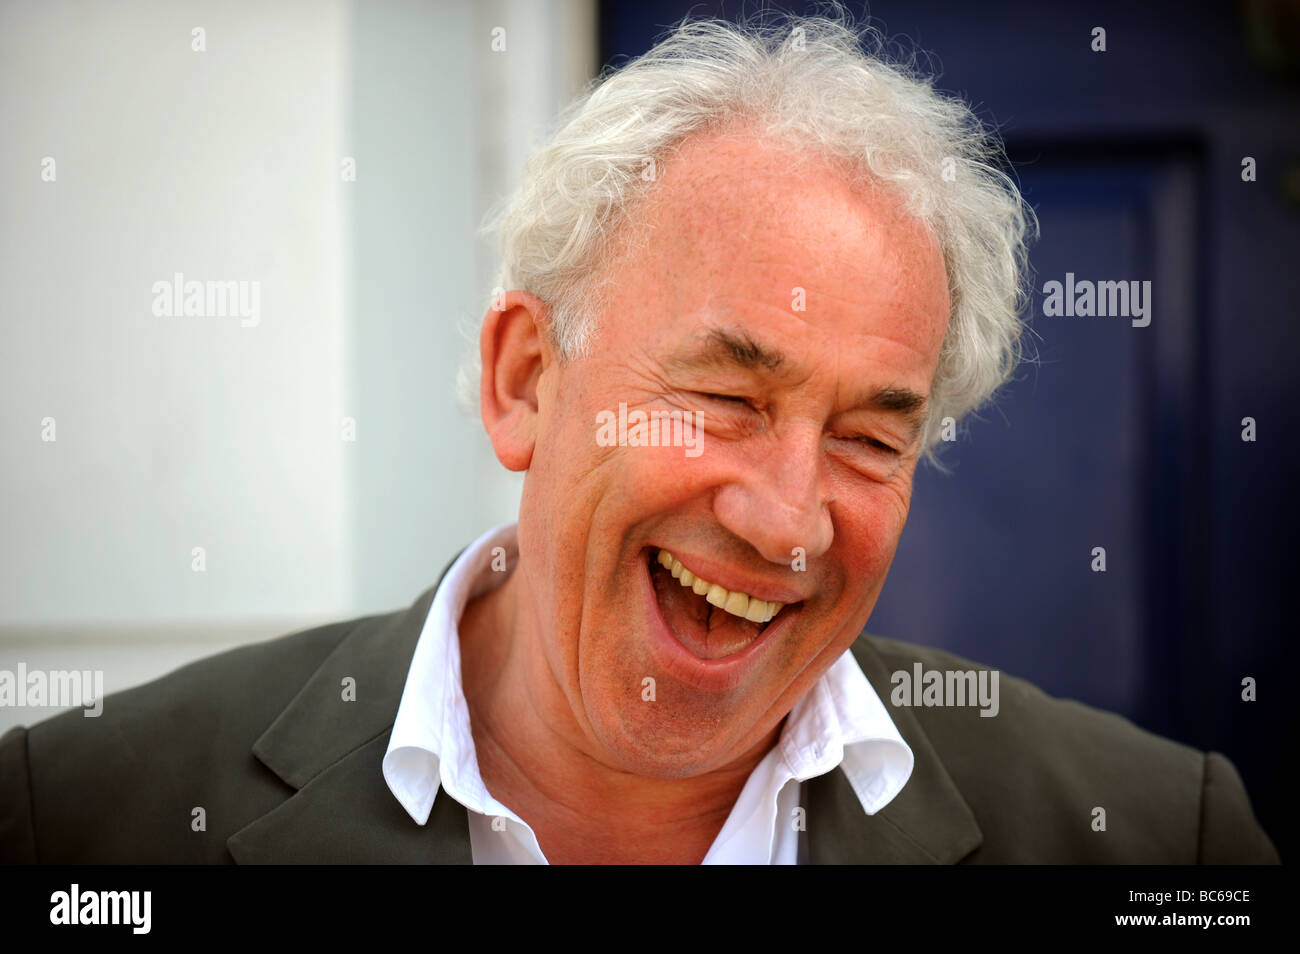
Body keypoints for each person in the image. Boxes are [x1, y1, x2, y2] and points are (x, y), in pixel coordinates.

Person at [0, 13, 1278, 864]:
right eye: (724, 399)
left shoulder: (1164, 842)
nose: (786, 518)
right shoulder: (85, 822)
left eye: (868, 440)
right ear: (523, 382)